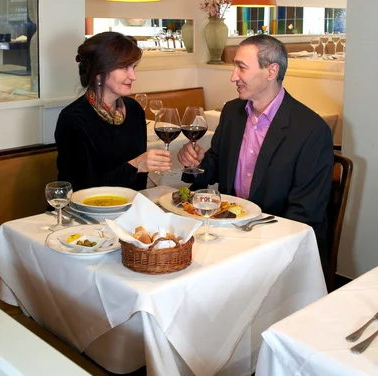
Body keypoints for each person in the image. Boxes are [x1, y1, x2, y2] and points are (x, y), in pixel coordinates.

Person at [178, 34, 334, 263]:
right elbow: (216, 165)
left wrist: (257, 248)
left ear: (271, 71)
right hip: (229, 232)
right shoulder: (233, 112)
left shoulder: (311, 130)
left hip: (280, 243)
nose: (233, 77)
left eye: (241, 68)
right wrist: (197, 162)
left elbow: (305, 213)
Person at [55, 32, 171, 192]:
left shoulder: (134, 110)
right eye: (124, 67)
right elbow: (82, 188)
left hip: (128, 207)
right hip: (83, 212)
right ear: (99, 73)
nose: (133, 76)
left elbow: (139, 183)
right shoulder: (73, 118)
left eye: (134, 67)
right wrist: (136, 165)